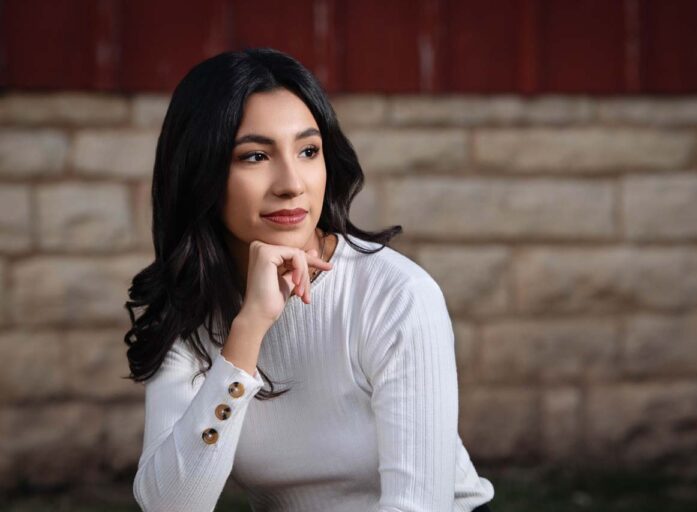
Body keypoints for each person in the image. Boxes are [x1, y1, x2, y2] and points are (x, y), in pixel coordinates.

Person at [124, 47, 495, 512]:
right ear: (200, 173)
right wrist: (248, 330)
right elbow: (169, 506)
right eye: (255, 156)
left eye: (308, 150)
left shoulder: (396, 295)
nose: (292, 183)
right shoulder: (191, 305)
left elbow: (417, 505)